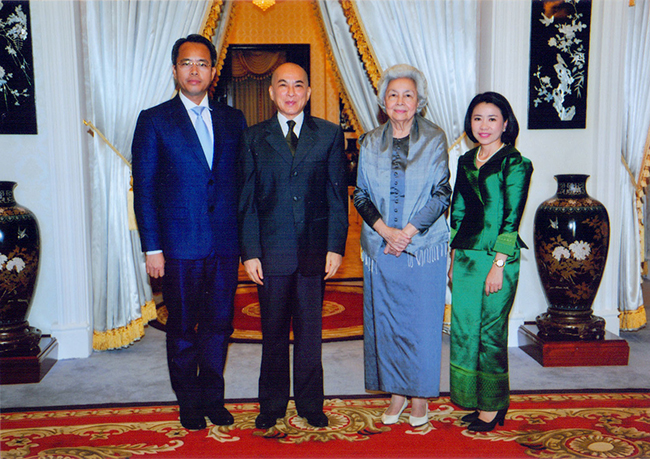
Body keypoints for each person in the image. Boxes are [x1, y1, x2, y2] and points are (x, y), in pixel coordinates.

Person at [132, 34, 247, 430]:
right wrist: (152, 247)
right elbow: (145, 189)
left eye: (202, 63)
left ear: (213, 71)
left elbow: (241, 184)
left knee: (220, 326)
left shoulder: (234, 119)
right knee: (182, 328)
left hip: (225, 244)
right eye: (186, 63)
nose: (194, 70)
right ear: (175, 70)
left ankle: (213, 397)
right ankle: (188, 401)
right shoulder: (154, 120)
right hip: (178, 246)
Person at [238, 62, 348, 429]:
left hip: (314, 252)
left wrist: (336, 247)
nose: (290, 92)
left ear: (308, 92)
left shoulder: (329, 134)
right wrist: (250, 252)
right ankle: (270, 406)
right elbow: (247, 201)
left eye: (298, 85)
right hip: (270, 254)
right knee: (272, 334)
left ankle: (310, 405)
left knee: (309, 336)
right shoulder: (253, 138)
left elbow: (337, 197)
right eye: (282, 85)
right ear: (271, 92)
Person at [353, 64, 451, 428]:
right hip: (381, 248)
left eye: (408, 95)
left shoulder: (435, 138)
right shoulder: (369, 141)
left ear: (419, 101)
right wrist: (386, 231)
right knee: (388, 324)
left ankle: (420, 398)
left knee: (421, 325)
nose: (400, 101)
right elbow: (360, 194)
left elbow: (442, 193)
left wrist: (406, 233)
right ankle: (396, 393)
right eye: (393, 94)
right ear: (383, 101)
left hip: (423, 246)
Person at [448, 92, 533, 432]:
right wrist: (453, 256)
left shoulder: (516, 163)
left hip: (497, 258)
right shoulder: (466, 160)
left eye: (492, 118)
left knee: (491, 332)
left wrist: (498, 265)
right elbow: (457, 211)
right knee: (466, 331)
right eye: (477, 118)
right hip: (466, 258)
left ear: (505, 123)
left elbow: (512, 219)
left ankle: (494, 406)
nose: (484, 125)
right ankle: (475, 399)